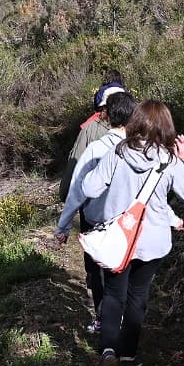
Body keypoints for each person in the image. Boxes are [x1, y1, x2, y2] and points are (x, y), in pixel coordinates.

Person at [81, 100, 184, 366]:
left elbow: (90, 188)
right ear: (166, 127)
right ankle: (127, 356)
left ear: (135, 122)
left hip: (118, 240)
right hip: (153, 242)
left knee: (114, 294)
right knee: (138, 296)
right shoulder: (170, 161)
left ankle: (108, 349)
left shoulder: (117, 153)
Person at [55, 91, 138, 333]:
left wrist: (63, 226)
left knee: (98, 272)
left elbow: (77, 190)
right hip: (128, 223)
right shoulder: (141, 149)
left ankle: (104, 320)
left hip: (96, 221)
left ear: (107, 116)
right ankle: (124, 321)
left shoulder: (95, 149)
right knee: (125, 271)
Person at [59, 70, 127, 202]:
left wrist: (65, 193)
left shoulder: (91, 127)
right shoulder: (135, 125)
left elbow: (76, 159)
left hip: (93, 200)